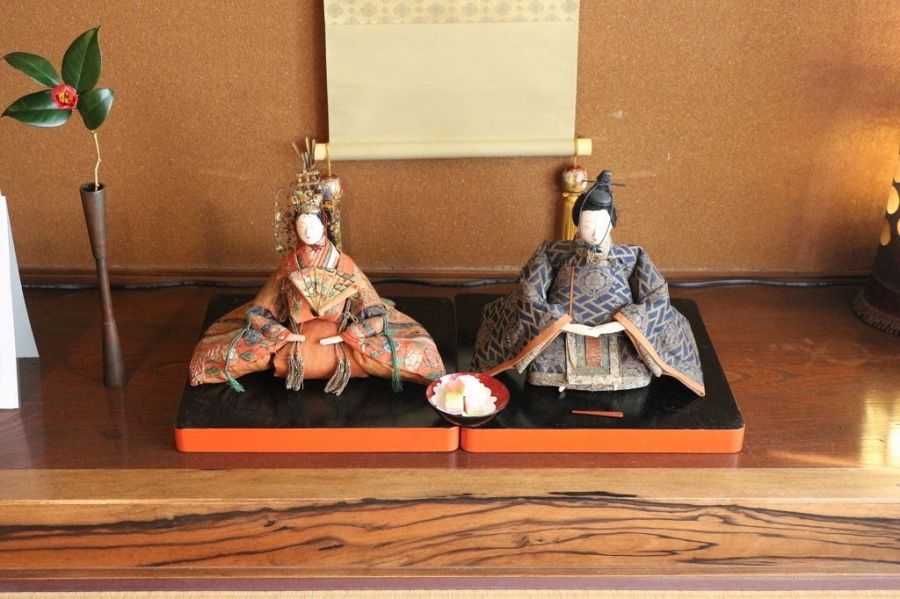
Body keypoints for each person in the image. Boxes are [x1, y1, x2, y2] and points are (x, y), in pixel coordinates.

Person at [189, 165, 445, 395]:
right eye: (302, 226)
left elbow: (373, 309)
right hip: (293, 333)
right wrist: (278, 332)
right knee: (217, 353)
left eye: (313, 225)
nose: (308, 231)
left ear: (324, 225)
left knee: (416, 355)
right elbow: (260, 310)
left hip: (342, 332)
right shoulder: (289, 265)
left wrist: (354, 333)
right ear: (294, 229)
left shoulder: (343, 263)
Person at [470, 171, 705, 395]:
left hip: (620, 333)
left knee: (633, 364)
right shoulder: (553, 252)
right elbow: (529, 291)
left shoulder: (632, 256)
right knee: (545, 363)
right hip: (559, 331)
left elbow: (656, 296)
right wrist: (560, 323)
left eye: (601, 225)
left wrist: (617, 325)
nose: (594, 232)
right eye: (588, 224)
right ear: (577, 224)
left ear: (612, 224)